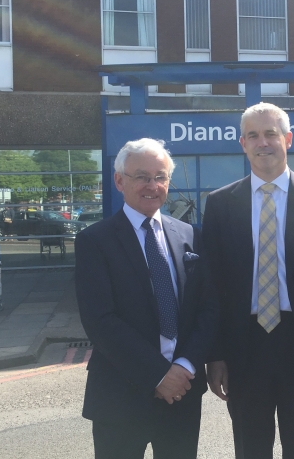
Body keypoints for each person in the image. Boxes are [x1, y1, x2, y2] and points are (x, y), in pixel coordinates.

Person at [202, 102, 294, 459]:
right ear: (242, 143)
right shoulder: (219, 204)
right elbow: (212, 285)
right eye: (253, 135)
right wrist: (215, 355)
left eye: (270, 134)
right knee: (251, 448)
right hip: (243, 347)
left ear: (288, 139)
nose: (262, 142)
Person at [75, 138, 218, 459]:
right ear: (119, 180)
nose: (151, 185)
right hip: (120, 395)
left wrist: (183, 365)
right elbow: (100, 320)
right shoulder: (94, 241)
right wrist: (158, 374)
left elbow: (208, 309)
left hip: (182, 393)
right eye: (141, 176)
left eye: (160, 176)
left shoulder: (190, 235)